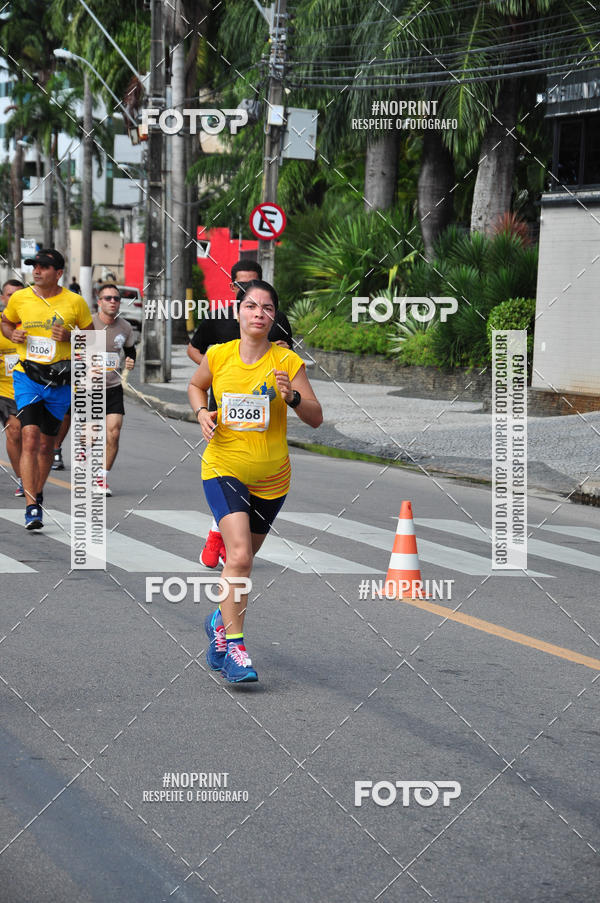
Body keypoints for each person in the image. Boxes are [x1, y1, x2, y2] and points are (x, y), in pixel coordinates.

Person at [188, 280, 322, 683]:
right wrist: (201, 414)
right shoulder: (219, 354)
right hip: (223, 466)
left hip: (272, 478)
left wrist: (293, 398)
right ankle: (236, 649)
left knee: (240, 564)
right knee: (241, 557)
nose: (258, 313)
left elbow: (316, 417)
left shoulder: (288, 363)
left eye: (266, 308)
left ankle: (218, 621)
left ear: (274, 317)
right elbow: (196, 386)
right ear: (239, 313)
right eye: (251, 306)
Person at [187, 259, 294, 569]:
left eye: (255, 282)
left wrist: (285, 375)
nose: (257, 308)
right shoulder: (219, 321)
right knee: (230, 485)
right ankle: (217, 534)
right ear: (234, 290)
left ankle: (224, 542)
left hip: (267, 439)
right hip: (225, 429)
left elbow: (289, 353)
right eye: (244, 288)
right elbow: (195, 353)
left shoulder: (275, 318)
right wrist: (214, 373)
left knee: (243, 551)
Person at [1, 249, 93, 529]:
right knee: (28, 436)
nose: (37, 270)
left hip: (60, 380)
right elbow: (5, 322)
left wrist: (71, 336)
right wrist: (12, 333)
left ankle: (36, 491)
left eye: (43, 267)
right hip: (27, 376)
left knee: (46, 445)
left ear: (59, 273)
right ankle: (31, 505)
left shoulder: (75, 302)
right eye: (34, 266)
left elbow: (91, 337)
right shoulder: (20, 298)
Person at [91, 283, 136, 496]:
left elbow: (130, 351)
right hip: (87, 388)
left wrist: (130, 361)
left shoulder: (125, 327)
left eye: (116, 298)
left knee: (114, 432)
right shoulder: (87, 324)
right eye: (107, 298)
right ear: (99, 301)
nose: (112, 302)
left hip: (113, 387)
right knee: (90, 437)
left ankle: (101, 477)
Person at [0, 279, 25, 496]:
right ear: (3, 298)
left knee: (31, 435)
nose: (14, 299)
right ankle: (23, 479)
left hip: (29, 387)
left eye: (19, 294)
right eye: (10, 295)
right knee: (14, 433)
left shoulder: (34, 322)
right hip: (4, 389)